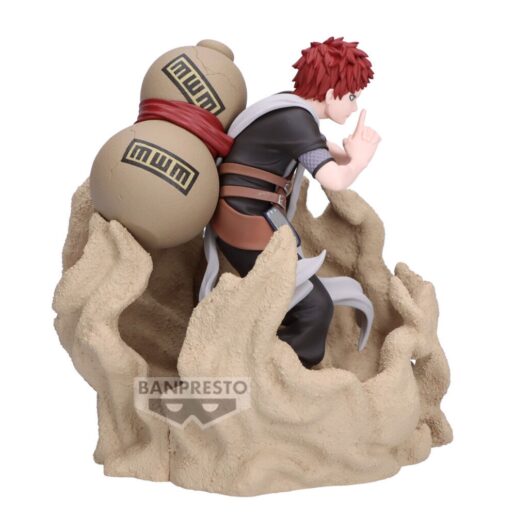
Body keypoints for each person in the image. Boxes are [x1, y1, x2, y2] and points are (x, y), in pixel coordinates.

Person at [210, 37, 381, 368]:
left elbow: (316, 147)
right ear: (330, 94)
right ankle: (269, 371)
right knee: (314, 309)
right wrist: (359, 160)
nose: (354, 106)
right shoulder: (295, 120)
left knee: (307, 299)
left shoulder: (289, 108)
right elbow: (335, 180)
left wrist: (348, 154)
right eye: (351, 96)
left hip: (249, 218)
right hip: (245, 223)